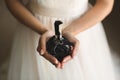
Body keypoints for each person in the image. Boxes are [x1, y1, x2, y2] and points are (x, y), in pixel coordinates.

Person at [5, 0, 117, 80]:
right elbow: (11, 1)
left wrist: (70, 31)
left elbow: (106, 3)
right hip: (34, 26)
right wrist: (43, 30)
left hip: (81, 26)